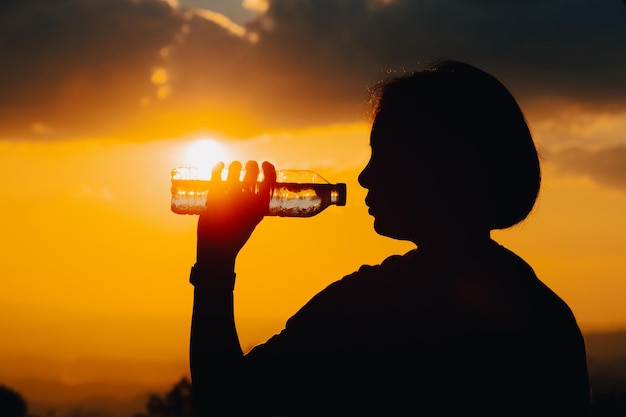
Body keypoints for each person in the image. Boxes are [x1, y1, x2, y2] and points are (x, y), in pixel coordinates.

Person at [188, 60, 591, 416]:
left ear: (434, 167)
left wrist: (215, 265)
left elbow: (225, 401)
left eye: (382, 154)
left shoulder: (368, 307)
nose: (364, 177)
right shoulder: (546, 317)